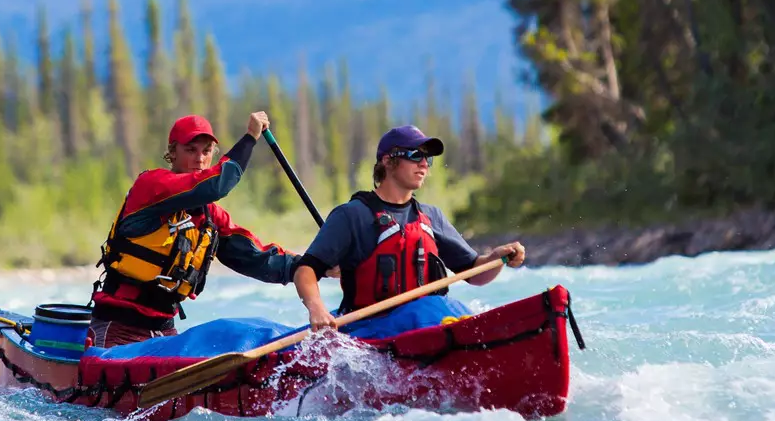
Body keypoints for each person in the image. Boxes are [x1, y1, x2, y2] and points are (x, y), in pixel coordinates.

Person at [89, 110, 298, 348]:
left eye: (206, 151)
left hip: (163, 330)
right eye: (191, 150)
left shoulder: (209, 215)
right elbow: (214, 185)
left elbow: (253, 257)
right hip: (119, 326)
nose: (199, 158)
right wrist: (250, 137)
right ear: (172, 153)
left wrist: (311, 266)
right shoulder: (151, 185)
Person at [293, 123, 526, 331]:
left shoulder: (431, 216)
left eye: (427, 159)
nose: (424, 164)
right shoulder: (352, 216)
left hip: (424, 326)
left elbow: (474, 273)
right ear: (387, 160)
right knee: (429, 309)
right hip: (368, 329)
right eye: (415, 155)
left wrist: (496, 258)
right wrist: (317, 309)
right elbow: (306, 269)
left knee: (436, 307)